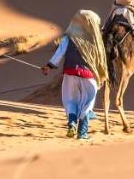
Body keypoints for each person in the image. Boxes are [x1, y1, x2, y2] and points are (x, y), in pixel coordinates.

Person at [41, 10, 109, 140]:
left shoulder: (68, 37)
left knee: (70, 100)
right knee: (87, 104)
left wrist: (48, 66)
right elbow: (100, 60)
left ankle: (71, 123)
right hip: (88, 75)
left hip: (70, 73)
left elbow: (59, 53)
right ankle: (82, 133)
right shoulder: (95, 40)